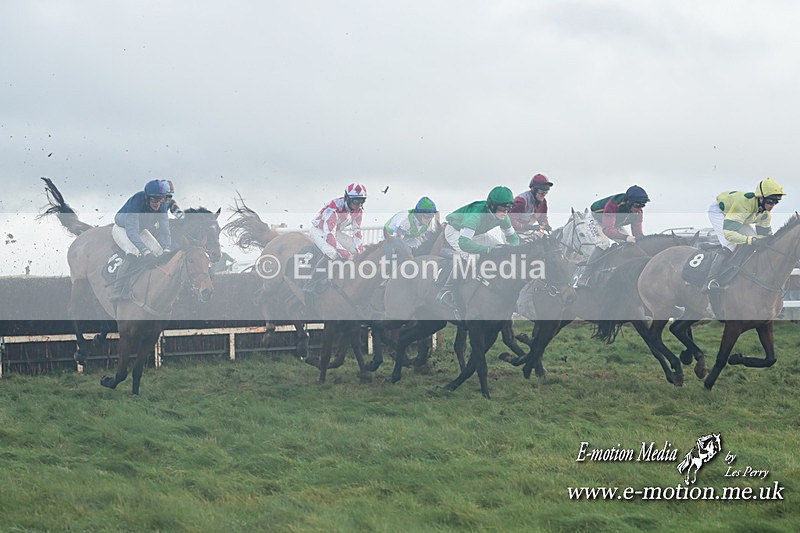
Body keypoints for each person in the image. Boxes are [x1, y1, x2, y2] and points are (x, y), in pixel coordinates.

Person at [436, 186, 520, 313]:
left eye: (509, 208)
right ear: (492, 206)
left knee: (501, 250)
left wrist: (512, 250)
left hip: (477, 233)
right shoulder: (476, 215)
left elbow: (514, 239)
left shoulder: (504, 217)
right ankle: (446, 291)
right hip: (455, 231)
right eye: (503, 208)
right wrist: (487, 250)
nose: (506, 212)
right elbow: (464, 243)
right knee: (470, 257)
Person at [704, 178, 786, 292]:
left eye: (776, 202)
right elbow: (730, 235)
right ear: (761, 198)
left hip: (740, 217)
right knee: (730, 244)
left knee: (755, 239)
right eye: (770, 201)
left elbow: (765, 238)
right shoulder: (743, 205)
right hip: (719, 212)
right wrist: (750, 240)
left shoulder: (766, 215)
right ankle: (710, 281)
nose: (773, 205)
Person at [573, 185, 650, 287]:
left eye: (642, 205)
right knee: (604, 243)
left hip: (613, 223)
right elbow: (607, 230)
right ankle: (585, 275)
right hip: (596, 220)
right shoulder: (613, 205)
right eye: (637, 205)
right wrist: (626, 237)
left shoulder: (638, 212)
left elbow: (638, 235)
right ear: (628, 202)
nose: (639, 208)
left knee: (631, 244)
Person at [109, 179, 172, 301]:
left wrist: (167, 248)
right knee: (133, 251)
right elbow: (131, 231)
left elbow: (165, 229)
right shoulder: (137, 200)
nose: (157, 203)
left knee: (159, 252)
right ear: (147, 197)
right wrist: (145, 251)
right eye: (154, 199)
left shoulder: (162, 205)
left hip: (140, 230)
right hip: (123, 228)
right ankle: (117, 290)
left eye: (159, 200)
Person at [304, 182, 367, 297]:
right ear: (347, 198)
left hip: (335, 232)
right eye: (356, 201)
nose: (359, 205)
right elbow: (328, 236)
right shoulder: (334, 208)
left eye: (362, 201)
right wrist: (346, 254)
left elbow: (357, 233)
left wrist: (361, 253)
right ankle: (311, 283)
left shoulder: (359, 211)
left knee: (355, 249)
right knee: (332, 253)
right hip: (320, 230)